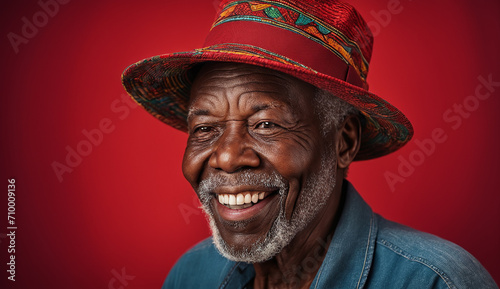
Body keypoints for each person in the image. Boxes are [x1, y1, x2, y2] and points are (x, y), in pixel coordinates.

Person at [122, 0, 498, 288]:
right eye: (205, 129)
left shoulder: (435, 281)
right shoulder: (191, 275)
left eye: (265, 123)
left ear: (343, 141)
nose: (226, 157)